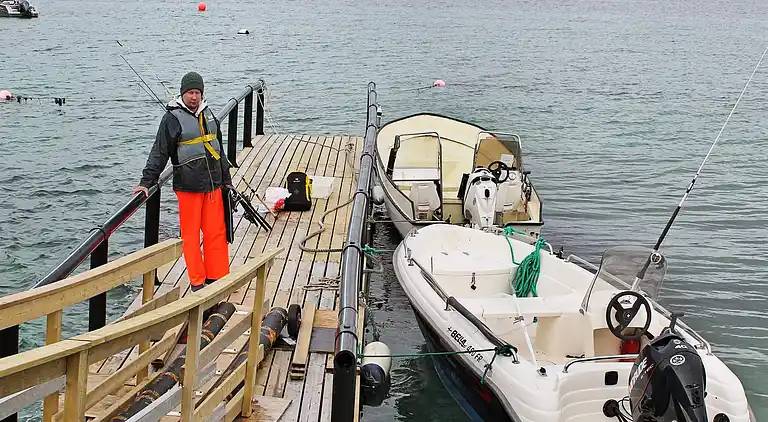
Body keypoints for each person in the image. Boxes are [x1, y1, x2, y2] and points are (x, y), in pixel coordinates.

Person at [133, 71, 232, 294]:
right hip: (188, 187)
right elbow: (159, 152)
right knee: (190, 235)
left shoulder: (209, 115)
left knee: (216, 232)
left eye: (197, 92)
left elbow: (219, 149)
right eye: (190, 93)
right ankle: (197, 281)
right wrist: (146, 181)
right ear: (182, 93)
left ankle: (217, 277)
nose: (194, 97)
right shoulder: (171, 119)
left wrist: (227, 180)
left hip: (214, 185)